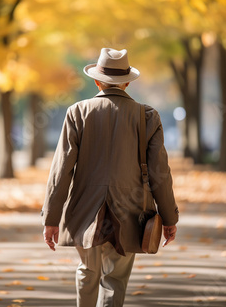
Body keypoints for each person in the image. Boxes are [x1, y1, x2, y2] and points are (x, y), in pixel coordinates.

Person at [41, 48, 179, 307]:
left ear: (96, 81)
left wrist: (51, 218)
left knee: (87, 271)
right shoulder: (147, 116)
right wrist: (169, 218)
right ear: (127, 81)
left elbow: (61, 171)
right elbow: (160, 171)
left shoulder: (78, 112)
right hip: (130, 210)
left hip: (85, 211)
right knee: (115, 279)